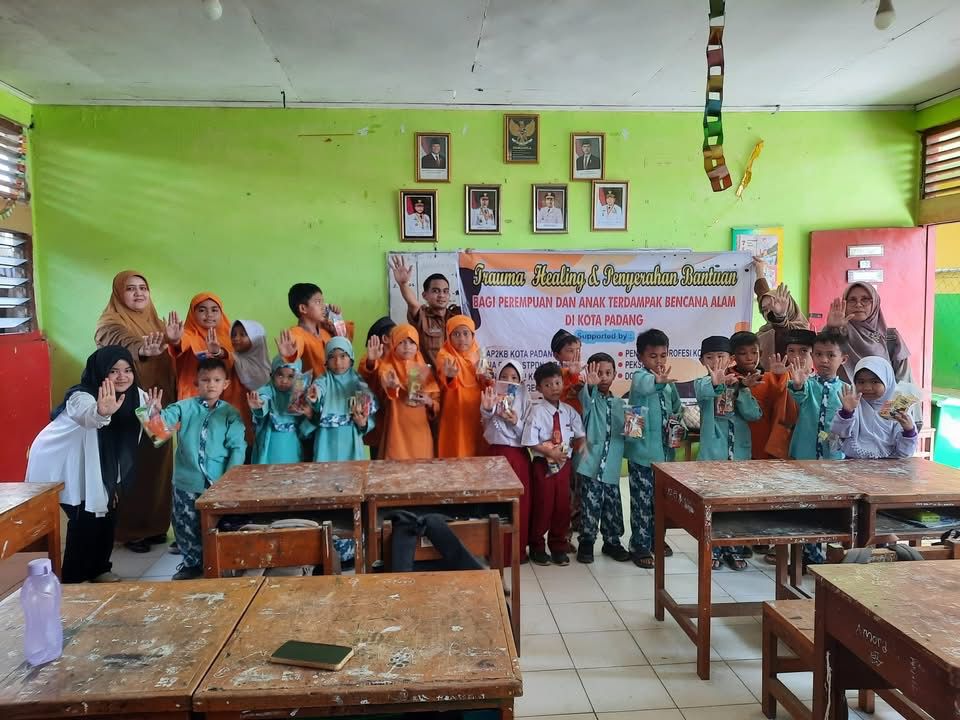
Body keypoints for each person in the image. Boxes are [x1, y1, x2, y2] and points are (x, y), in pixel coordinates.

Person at [26, 347, 147, 583]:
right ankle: (72, 579)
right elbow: (87, 417)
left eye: (127, 370)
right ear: (101, 371)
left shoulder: (138, 396)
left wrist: (159, 418)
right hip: (65, 465)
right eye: (113, 371)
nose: (122, 376)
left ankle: (99, 569)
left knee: (107, 516)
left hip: (101, 466)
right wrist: (101, 411)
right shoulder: (81, 396)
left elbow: (156, 432)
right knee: (85, 520)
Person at [93, 270, 175, 554]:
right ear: (119, 293)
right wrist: (142, 349)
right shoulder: (110, 322)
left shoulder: (156, 322)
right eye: (130, 288)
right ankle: (130, 530)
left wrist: (172, 340)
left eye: (143, 287)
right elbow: (122, 342)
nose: (139, 293)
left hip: (157, 405)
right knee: (131, 465)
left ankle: (154, 526)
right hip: (129, 405)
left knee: (159, 462)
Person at [150, 357, 246, 580]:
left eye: (216, 380)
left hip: (219, 482)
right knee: (186, 524)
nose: (211, 385)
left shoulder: (231, 414)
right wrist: (154, 413)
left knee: (223, 524)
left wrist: (229, 480)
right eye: (205, 380)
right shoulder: (183, 407)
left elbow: (237, 447)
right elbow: (159, 433)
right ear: (196, 382)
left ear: (226, 384)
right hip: (187, 482)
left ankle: (223, 562)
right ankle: (192, 564)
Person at [624, 328, 683, 568]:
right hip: (642, 455)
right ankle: (639, 546)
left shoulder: (668, 384)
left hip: (665, 456)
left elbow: (677, 407)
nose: (659, 361)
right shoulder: (640, 377)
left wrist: (677, 421)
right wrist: (657, 382)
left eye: (663, 355)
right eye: (653, 356)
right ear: (640, 357)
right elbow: (647, 386)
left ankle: (657, 540)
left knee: (661, 503)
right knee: (642, 503)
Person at [521, 362, 585, 566]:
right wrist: (549, 451)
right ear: (539, 388)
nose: (554, 388)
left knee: (562, 506)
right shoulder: (536, 412)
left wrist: (582, 444)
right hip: (543, 465)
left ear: (563, 383)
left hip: (564, 465)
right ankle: (537, 546)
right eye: (548, 385)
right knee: (543, 505)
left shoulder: (568, 411)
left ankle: (558, 546)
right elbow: (530, 441)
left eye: (557, 383)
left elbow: (580, 433)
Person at [574, 354, 632, 564]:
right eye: (599, 373)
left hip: (612, 465)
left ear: (615, 374)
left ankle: (612, 542)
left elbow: (627, 433)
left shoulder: (620, 404)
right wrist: (590, 386)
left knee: (612, 506)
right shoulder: (589, 399)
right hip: (591, 464)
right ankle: (586, 542)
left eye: (608, 373)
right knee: (590, 505)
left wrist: (633, 428)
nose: (604, 377)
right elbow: (585, 401)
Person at [481, 361, 532, 564]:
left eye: (514, 378)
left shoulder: (525, 400)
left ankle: (517, 552)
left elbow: (529, 433)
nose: (509, 381)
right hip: (496, 457)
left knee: (519, 505)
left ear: (521, 381)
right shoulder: (491, 396)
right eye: (504, 377)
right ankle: (495, 552)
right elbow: (486, 419)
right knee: (496, 505)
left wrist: (515, 422)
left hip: (518, 458)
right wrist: (488, 409)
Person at [303, 337, 375, 462]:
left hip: (351, 437)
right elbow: (319, 388)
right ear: (326, 361)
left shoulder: (358, 381)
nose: (337, 362)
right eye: (332, 357)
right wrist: (315, 394)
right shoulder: (324, 380)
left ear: (351, 358)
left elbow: (368, 406)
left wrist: (363, 423)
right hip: (326, 438)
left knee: (352, 471)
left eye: (343, 356)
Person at [831, 357, 919, 459]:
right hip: (854, 464)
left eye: (875, 382)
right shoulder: (853, 405)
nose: (867, 388)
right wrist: (846, 412)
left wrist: (908, 431)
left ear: (887, 381)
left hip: (889, 465)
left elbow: (906, 453)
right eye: (861, 382)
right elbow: (839, 433)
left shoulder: (898, 410)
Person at [824, 282, 912, 383]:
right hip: (841, 393)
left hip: (885, 394)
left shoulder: (890, 337)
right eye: (852, 300)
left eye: (865, 299)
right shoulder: (836, 332)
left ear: (875, 303)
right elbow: (821, 362)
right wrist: (831, 330)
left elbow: (904, 380)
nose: (858, 304)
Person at [378, 324, 439, 459]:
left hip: (420, 430)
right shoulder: (387, 367)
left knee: (421, 468)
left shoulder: (424, 369)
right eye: (402, 342)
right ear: (393, 344)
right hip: (397, 430)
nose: (407, 346)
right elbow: (385, 383)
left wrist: (429, 402)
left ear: (417, 346)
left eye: (412, 342)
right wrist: (393, 386)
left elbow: (436, 401)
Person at [728, 331, 792, 460]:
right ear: (733, 357)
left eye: (754, 352)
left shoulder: (767, 378)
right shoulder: (728, 379)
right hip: (734, 441)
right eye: (743, 353)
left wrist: (779, 376)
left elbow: (780, 401)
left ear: (760, 353)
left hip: (762, 439)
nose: (749, 358)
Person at [390, 255, 461, 369]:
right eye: (436, 291)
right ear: (425, 295)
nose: (441, 295)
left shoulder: (456, 317)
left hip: (454, 377)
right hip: (429, 377)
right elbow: (413, 303)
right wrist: (403, 285)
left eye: (445, 291)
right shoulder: (422, 316)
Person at [788, 330, 849, 461]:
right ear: (812, 355)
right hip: (804, 453)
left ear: (843, 359)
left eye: (831, 355)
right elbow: (799, 396)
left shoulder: (847, 390)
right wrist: (798, 386)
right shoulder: (807, 384)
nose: (823, 360)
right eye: (818, 354)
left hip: (834, 456)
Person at [435, 316, 487, 458]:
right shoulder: (445, 355)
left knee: (478, 451)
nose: (462, 338)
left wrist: (487, 378)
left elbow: (486, 383)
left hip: (477, 410)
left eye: (465, 333)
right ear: (449, 336)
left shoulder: (479, 355)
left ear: (473, 336)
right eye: (456, 334)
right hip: (455, 410)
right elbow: (444, 377)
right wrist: (450, 376)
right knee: (457, 449)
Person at [279, 282, 352, 378]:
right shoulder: (297, 333)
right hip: (316, 387)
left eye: (323, 302)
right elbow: (296, 345)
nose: (324, 307)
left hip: (337, 385)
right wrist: (291, 355)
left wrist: (338, 322)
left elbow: (347, 348)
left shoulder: (326, 329)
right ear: (303, 308)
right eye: (318, 302)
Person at [247, 357, 307, 465]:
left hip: (292, 447)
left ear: (298, 378)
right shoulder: (267, 391)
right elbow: (264, 400)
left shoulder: (299, 397)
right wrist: (259, 406)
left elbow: (305, 425)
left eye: (290, 376)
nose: (284, 381)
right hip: (269, 448)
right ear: (272, 375)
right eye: (280, 375)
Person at [753, 258, 808, 363]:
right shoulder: (764, 333)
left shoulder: (801, 330)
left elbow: (783, 330)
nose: (769, 313)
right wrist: (759, 270)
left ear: (789, 305)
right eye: (764, 310)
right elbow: (762, 293)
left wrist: (780, 316)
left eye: (773, 306)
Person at [358, 317, 395, 460]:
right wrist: (372, 361)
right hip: (378, 426)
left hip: (396, 424)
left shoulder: (398, 359)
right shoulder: (368, 360)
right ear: (385, 338)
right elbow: (365, 375)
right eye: (396, 334)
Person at [230, 320, 272, 392]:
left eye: (242, 335)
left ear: (256, 340)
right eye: (233, 335)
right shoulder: (232, 359)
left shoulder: (271, 366)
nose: (236, 338)